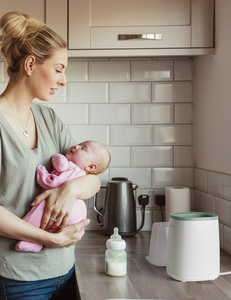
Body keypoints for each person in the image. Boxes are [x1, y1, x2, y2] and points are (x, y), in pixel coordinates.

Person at [0, 11, 101, 300]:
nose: (64, 80)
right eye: (59, 69)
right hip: (18, 280)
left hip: (66, 271)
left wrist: (71, 189)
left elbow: (92, 178)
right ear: (31, 64)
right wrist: (49, 239)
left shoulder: (48, 118)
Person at [16, 140, 111, 252]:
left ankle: (31, 239)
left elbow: (51, 182)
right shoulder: (80, 174)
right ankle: (38, 240)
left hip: (70, 213)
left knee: (40, 209)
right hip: (76, 217)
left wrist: (42, 172)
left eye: (83, 148)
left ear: (91, 167)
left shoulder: (72, 169)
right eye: (79, 144)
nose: (76, 146)